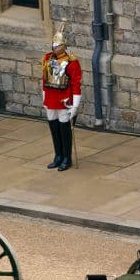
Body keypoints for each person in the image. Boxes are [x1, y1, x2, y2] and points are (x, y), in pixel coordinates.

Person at [41, 22, 82, 172]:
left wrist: (75, 105)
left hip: (64, 100)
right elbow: (44, 79)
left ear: (64, 46)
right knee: (54, 128)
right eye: (54, 44)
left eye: (58, 45)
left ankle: (66, 157)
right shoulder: (47, 58)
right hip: (50, 98)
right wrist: (44, 97)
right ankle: (58, 155)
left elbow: (76, 84)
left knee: (65, 130)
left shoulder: (72, 62)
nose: (55, 47)